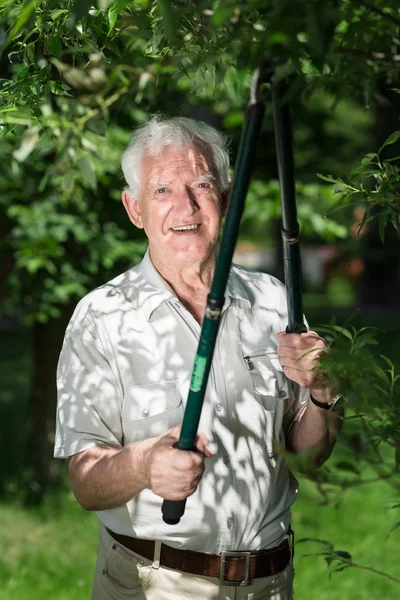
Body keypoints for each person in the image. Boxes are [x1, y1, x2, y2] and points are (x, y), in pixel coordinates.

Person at [54, 116, 343, 600]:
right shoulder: (101, 317)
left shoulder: (274, 300)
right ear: (135, 208)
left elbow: (310, 458)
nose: (184, 206)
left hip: (270, 583)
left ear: (225, 197)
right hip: (154, 582)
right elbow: (85, 483)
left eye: (201, 185)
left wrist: (323, 392)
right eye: (162, 189)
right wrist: (143, 465)